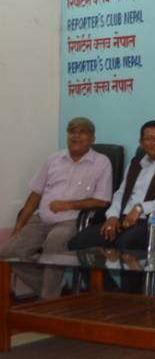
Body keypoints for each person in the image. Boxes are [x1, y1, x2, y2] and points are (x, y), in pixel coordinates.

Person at [68, 120, 155, 293]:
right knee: (78, 243)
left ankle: (132, 294)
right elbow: (120, 193)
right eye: (149, 138)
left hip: (153, 221)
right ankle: (108, 291)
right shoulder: (135, 162)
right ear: (141, 143)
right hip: (123, 219)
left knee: (126, 244)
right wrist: (112, 216)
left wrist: (140, 208)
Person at [0, 117, 112, 300]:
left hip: (70, 221)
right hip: (40, 220)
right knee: (8, 253)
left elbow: (102, 201)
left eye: (82, 132)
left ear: (92, 139)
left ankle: (48, 299)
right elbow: (36, 193)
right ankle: (52, 289)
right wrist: (20, 224)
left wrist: (68, 205)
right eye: (72, 132)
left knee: (55, 241)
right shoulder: (54, 159)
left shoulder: (102, 162)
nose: (76, 135)